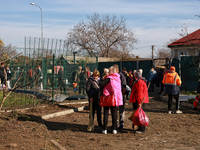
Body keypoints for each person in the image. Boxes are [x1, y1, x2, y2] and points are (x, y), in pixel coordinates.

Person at [99, 66, 123, 134]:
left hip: (108, 97)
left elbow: (101, 83)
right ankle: (114, 129)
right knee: (114, 114)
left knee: (106, 113)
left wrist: (102, 78)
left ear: (112, 72)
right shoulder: (118, 78)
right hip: (115, 98)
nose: (108, 72)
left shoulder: (109, 78)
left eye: (109, 71)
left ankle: (105, 129)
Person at [113, 64, 127, 129]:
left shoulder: (121, 76)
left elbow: (124, 85)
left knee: (121, 110)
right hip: (115, 96)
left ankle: (121, 124)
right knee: (115, 110)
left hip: (121, 96)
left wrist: (122, 94)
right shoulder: (114, 76)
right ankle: (115, 123)